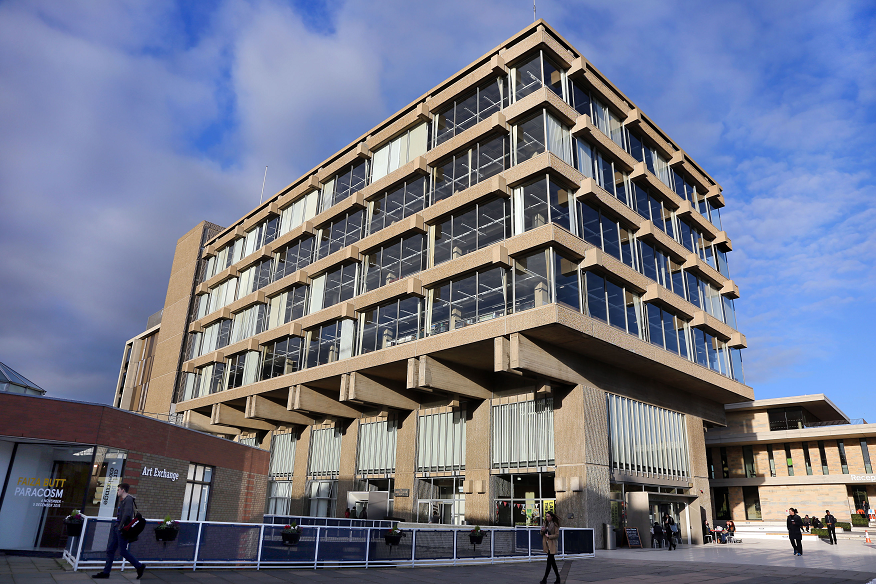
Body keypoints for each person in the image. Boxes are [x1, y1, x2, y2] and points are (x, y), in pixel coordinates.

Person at [93, 483, 145, 579]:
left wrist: (120, 527)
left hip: (122, 530)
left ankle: (139, 566)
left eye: (118, 489)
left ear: (123, 490)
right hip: (117, 528)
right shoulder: (124, 500)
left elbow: (127, 514)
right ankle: (106, 573)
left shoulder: (128, 499)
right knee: (110, 550)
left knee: (123, 552)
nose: (117, 491)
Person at [539, 511, 561, 584]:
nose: (547, 518)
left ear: (551, 517)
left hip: (552, 544)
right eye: (546, 516)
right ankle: (558, 578)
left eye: (548, 516)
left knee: (549, 562)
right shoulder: (545, 523)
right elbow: (541, 533)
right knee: (553, 563)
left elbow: (557, 535)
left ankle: (544, 579)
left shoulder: (555, 524)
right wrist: (542, 531)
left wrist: (550, 536)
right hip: (546, 544)